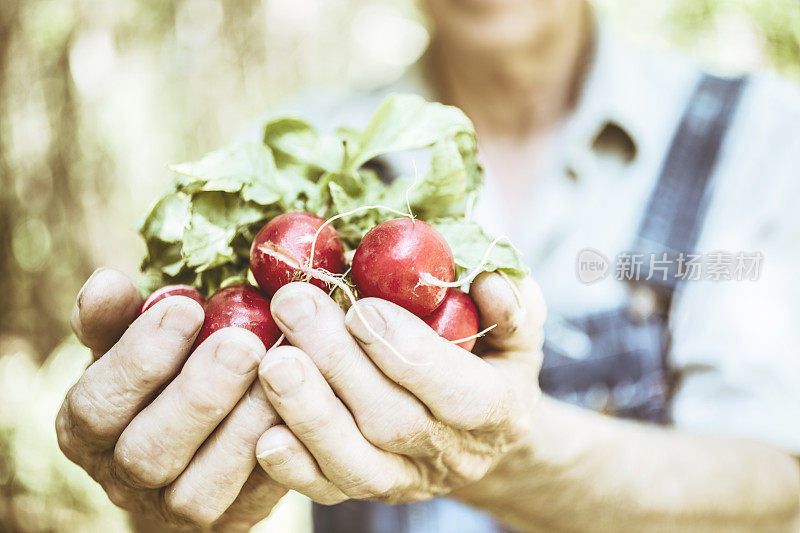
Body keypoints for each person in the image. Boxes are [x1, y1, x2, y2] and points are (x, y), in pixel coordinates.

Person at [57, 0, 800, 531]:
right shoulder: (297, 153)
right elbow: (198, 475)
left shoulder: (757, 136)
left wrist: (490, 448)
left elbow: (778, 489)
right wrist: (170, 496)